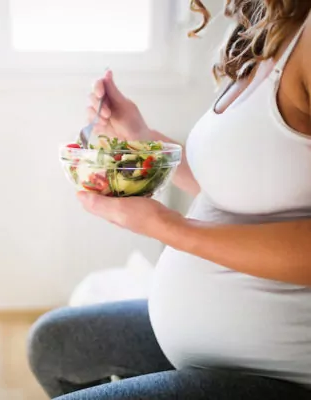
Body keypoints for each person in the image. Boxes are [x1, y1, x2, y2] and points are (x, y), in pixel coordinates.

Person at [27, 1, 311, 399]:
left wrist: (168, 226)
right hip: (216, 348)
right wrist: (138, 133)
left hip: (281, 372)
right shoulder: (270, 27)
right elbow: (239, 184)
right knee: (53, 345)